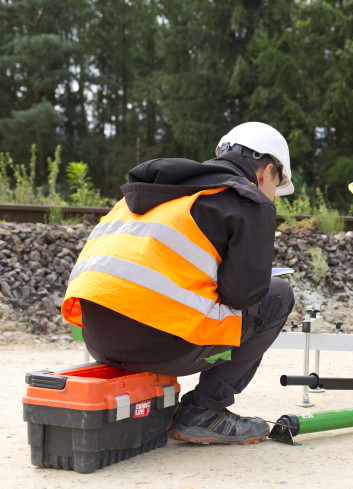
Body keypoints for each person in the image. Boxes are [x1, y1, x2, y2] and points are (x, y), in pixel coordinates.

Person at [61, 122, 295, 446]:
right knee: (279, 294)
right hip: (160, 346)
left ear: (220, 154)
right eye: (275, 186)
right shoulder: (248, 201)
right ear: (267, 171)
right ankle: (205, 410)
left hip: (98, 342)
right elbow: (242, 295)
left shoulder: (151, 192)